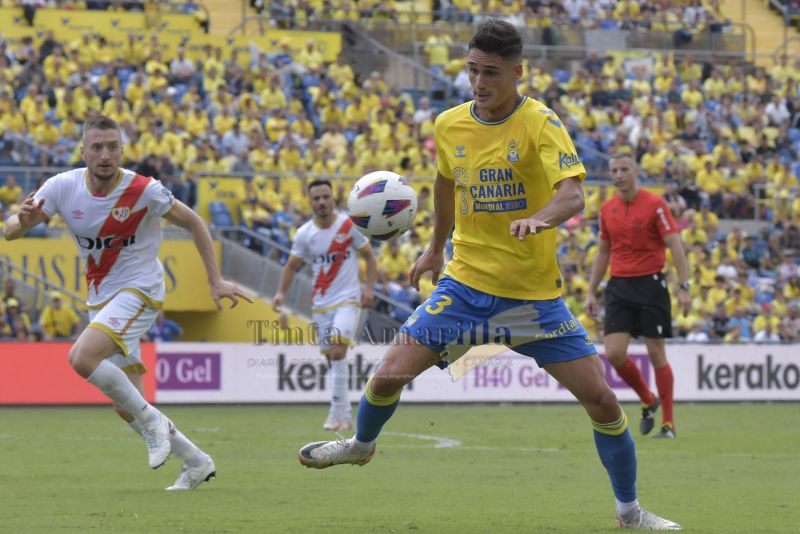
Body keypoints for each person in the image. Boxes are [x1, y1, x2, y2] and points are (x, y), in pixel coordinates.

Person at [297, 20, 682, 531]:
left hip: (533, 304)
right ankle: (361, 445)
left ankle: (630, 514)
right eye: (473, 69)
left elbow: (573, 194)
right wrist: (435, 248)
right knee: (388, 375)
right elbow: (444, 182)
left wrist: (539, 218)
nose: (479, 82)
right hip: (465, 287)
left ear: (517, 72)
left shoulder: (541, 123)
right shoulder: (450, 124)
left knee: (603, 401)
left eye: (492, 73)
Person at [4, 114, 252, 491]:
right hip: (100, 298)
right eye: (97, 147)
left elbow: (196, 222)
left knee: (80, 358)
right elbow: (10, 232)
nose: (105, 154)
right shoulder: (61, 187)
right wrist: (21, 222)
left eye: (113, 147)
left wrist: (214, 279)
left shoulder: (145, 190)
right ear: (83, 150)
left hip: (141, 290)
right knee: (127, 405)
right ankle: (196, 461)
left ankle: (154, 425)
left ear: (122, 149)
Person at [585, 154, 691, 440]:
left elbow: (675, 244)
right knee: (614, 353)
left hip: (650, 284)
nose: (618, 175)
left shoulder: (655, 204)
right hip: (619, 286)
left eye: (624, 169)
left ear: (636, 172)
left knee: (657, 353)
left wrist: (684, 286)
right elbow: (603, 251)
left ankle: (668, 424)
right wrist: (592, 291)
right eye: (614, 170)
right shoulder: (607, 209)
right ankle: (647, 398)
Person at [272, 179, 377, 432]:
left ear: (333, 199)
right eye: (316, 198)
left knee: (338, 351)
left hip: (348, 299)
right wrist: (279, 294)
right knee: (332, 359)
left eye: (325, 197)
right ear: (309, 201)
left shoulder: (349, 225)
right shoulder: (304, 234)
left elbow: (369, 257)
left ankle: (334, 412)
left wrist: (369, 288)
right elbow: (291, 266)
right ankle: (345, 414)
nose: (321, 202)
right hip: (320, 303)